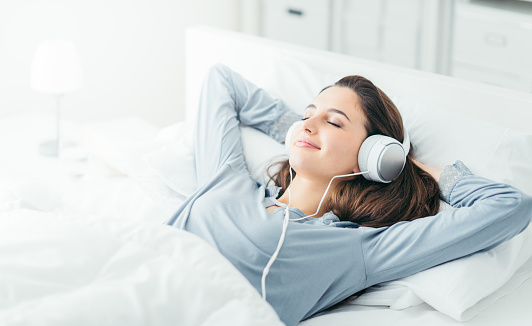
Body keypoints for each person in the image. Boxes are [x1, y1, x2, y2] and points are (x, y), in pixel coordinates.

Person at [167, 64, 532, 326]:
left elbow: (510, 206)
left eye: (335, 121)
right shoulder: (226, 176)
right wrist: (300, 131)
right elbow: (222, 80)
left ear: (371, 157)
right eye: (309, 115)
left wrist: (408, 164)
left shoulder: (355, 249)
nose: (309, 124)